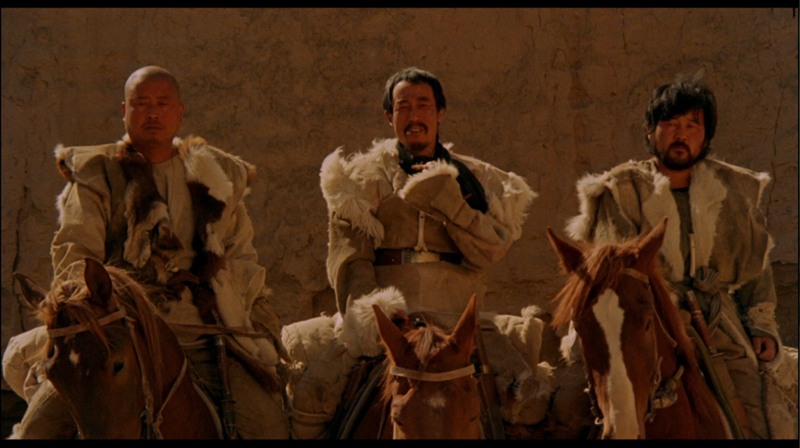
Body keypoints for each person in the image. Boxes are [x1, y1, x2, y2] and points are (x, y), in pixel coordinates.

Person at [2, 65, 290, 439]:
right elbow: (75, 254)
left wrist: (233, 305)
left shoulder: (217, 176)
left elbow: (241, 256)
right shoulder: (96, 174)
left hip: (204, 334)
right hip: (115, 336)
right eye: (141, 103)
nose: (152, 113)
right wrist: (118, 300)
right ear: (124, 110)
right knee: (35, 431)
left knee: (268, 426)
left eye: (162, 103)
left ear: (179, 112)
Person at [281, 67, 553, 439]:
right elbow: (350, 258)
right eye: (403, 107)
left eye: (423, 105)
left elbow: (489, 252)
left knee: (529, 403)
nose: (414, 115)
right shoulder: (359, 179)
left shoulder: (481, 180)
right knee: (311, 398)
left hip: (459, 320)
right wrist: (378, 314)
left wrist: (448, 201)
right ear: (389, 117)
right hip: (389, 318)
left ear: (440, 113)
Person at [564, 73, 797, 439]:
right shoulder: (621, 191)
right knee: (572, 408)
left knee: (766, 413)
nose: (681, 134)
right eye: (670, 124)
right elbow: (615, 271)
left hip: (720, 327)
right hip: (645, 320)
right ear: (650, 131)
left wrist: (762, 325)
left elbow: (756, 266)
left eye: (692, 125)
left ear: (706, 135)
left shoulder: (733, 191)